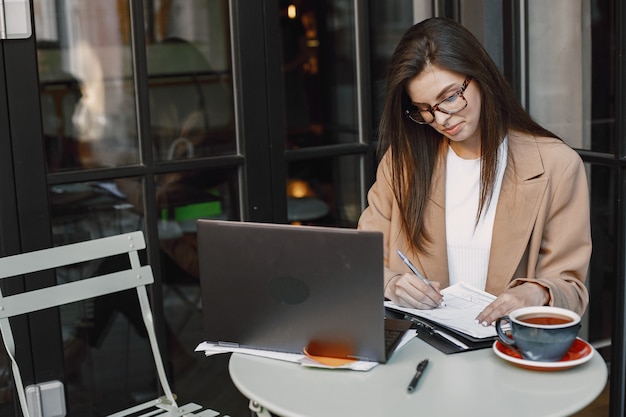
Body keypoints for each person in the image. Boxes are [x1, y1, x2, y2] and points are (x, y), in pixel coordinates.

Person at [357, 17, 591, 326]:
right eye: (425, 109)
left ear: (480, 77)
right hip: (424, 349)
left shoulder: (556, 165)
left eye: (451, 97)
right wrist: (390, 284)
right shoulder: (402, 164)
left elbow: (570, 287)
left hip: (509, 352)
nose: (441, 119)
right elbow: (361, 261)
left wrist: (534, 293)